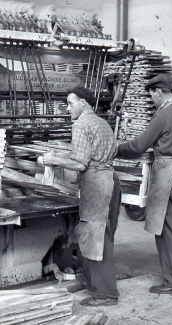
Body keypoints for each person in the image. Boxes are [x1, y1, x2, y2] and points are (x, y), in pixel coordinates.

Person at [38, 87, 120, 307]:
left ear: (83, 103)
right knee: (102, 237)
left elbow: (80, 163)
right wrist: (62, 156)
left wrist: (52, 161)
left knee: (96, 240)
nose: (67, 108)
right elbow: (89, 155)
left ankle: (105, 295)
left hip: (96, 185)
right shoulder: (102, 123)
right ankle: (96, 285)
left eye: (70, 103)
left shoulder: (81, 125)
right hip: (110, 180)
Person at [117, 74, 172, 294]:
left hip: (167, 173)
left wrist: (117, 148)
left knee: (167, 227)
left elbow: (139, 145)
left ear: (160, 91)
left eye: (152, 94)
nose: (151, 99)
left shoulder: (163, 116)